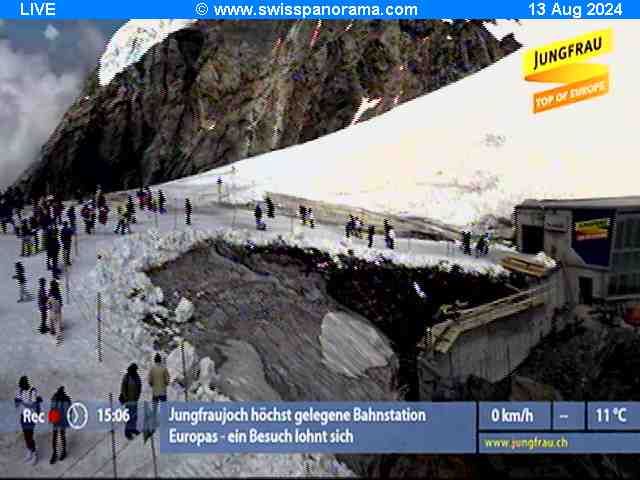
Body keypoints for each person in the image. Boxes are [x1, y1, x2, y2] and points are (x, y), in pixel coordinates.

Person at [14, 376, 42, 465]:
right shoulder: (20, 391)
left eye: (23, 385)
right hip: (24, 416)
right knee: (26, 435)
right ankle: (29, 450)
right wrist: (18, 402)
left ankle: (34, 454)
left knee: (29, 435)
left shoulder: (33, 391)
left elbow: (34, 405)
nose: (22, 387)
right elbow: (16, 404)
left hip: (31, 417)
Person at [49, 386, 71, 464]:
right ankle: (55, 453)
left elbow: (69, 411)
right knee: (56, 437)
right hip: (56, 420)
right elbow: (51, 409)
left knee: (61, 436)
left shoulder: (66, 399)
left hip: (62, 420)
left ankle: (63, 452)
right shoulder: (55, 398)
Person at [119, 363, 142, 439]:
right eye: (134, 369)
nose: (135, 371)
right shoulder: (127, 377)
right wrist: (126, 398)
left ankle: (133, 429)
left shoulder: (137, 377)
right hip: (128, 400)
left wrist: (137, 397)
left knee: (134, 416)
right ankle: (127, 432)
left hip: (134, 400)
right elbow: (123, 389)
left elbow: (139, 387)